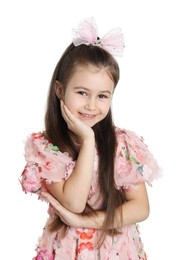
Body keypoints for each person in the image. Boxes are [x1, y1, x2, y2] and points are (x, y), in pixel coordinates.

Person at [20, 17, 161, 260]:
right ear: (60, 90)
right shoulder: (47, 148)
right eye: (82, 93)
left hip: (117, 250)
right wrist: (87, 140)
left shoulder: (122, 144)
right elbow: (73, 203)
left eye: (103, 96)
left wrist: (85, 222)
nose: (91, 105)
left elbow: (140, 207)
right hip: (68, 250)